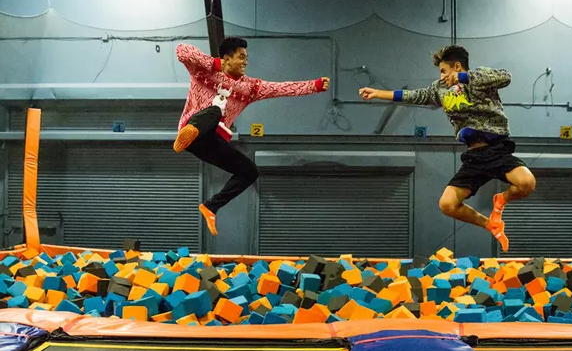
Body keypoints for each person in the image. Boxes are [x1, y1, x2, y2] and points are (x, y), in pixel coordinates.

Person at [358, 45, 535, 252]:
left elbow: (505, 77)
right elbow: (416, 95)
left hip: (497, 149)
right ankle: (490, 224)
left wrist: (463, 78)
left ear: (457, 66)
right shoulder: (440, 88)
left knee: (527, 183)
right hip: (474, 156)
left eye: (443, 71)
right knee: (447, 205)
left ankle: (501, 199)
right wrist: (379, 93)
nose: (441, 76)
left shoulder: (478, 78)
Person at [174, 37, 329, 236]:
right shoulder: (203, 71)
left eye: (246, 58)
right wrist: (213, 63)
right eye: (241, 57)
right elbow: (181, 50)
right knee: (215, 110)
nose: (246, 62)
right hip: (194, 126)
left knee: (249, 172)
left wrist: (314, 86)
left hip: (211, 142)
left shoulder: (250, 88)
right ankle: (190, 132)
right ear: (227, 59)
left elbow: (280, 89)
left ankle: (211, 207)